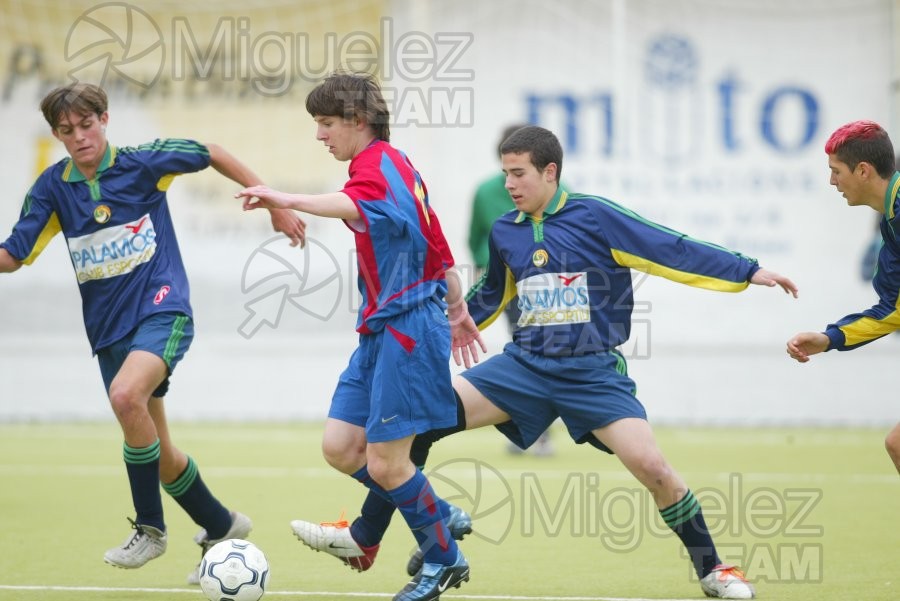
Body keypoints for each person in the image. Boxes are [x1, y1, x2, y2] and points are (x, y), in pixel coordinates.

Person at [287, 125, 798, 599]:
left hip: (592, 372)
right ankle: (379, 535)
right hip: (523, 368)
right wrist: (445, 324)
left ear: (550, 172)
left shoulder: (597, 216)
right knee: (418, 426)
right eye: (505, 173)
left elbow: (670, 247)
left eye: (518, 173)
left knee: (653, 467)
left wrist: (748, 271)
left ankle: (713, 569)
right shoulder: (505, 231)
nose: (508, 184)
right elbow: (489, 297)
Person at [0, 82, 306, 582]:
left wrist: (272, 201)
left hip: (163, 309)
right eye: (66, 131)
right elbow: (14, 255)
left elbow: (212, 153)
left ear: (104, 119)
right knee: (159, 452)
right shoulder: (51, 189)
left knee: (125, 396)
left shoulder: (143, 162)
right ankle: (221, 523)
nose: (79, 137)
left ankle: (151, 529)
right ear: (56, 135)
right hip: (108, 332)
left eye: (86, 124)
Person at [235, 71, 483, 601]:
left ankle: (443, 559)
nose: (320, 135)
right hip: (383, 328)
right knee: (341, 446)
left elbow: (352, 206)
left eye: (326, 124)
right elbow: (437, 247)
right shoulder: (399, 170)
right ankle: (434, 513)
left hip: (409, 328)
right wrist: (458, 306)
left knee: (387, 463)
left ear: (358, 120)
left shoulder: (376, 167)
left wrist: (284, 197)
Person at [787, 120, 900, 475]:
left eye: (836, 172)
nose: (832, 182)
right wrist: (829, 338)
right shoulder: (891, 220)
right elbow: (893, 310)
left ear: (863, 171)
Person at [468, 123, 554, 457]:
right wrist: (485, 279)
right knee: (526, 353)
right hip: (505, 284)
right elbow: (475, 238)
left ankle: (538, 430)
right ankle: (531, 431)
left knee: (537, 354)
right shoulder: (486, 191)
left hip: (546, 285)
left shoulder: (559, 190)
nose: (512, 184)